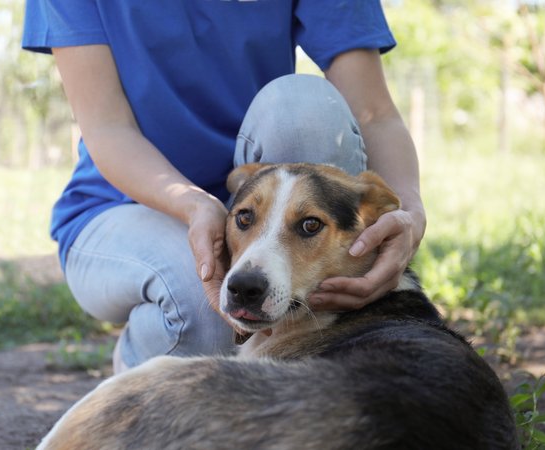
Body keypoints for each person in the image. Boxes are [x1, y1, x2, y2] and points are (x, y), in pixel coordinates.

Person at [22, 1, 426, 373]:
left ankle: (302, 371)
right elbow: (108, 128)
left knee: (305, 108)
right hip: (122, 206)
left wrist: (408, 214)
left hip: (262, 198)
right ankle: (139, 370)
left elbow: (373, 114)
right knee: (200, 299)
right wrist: (197, 206)